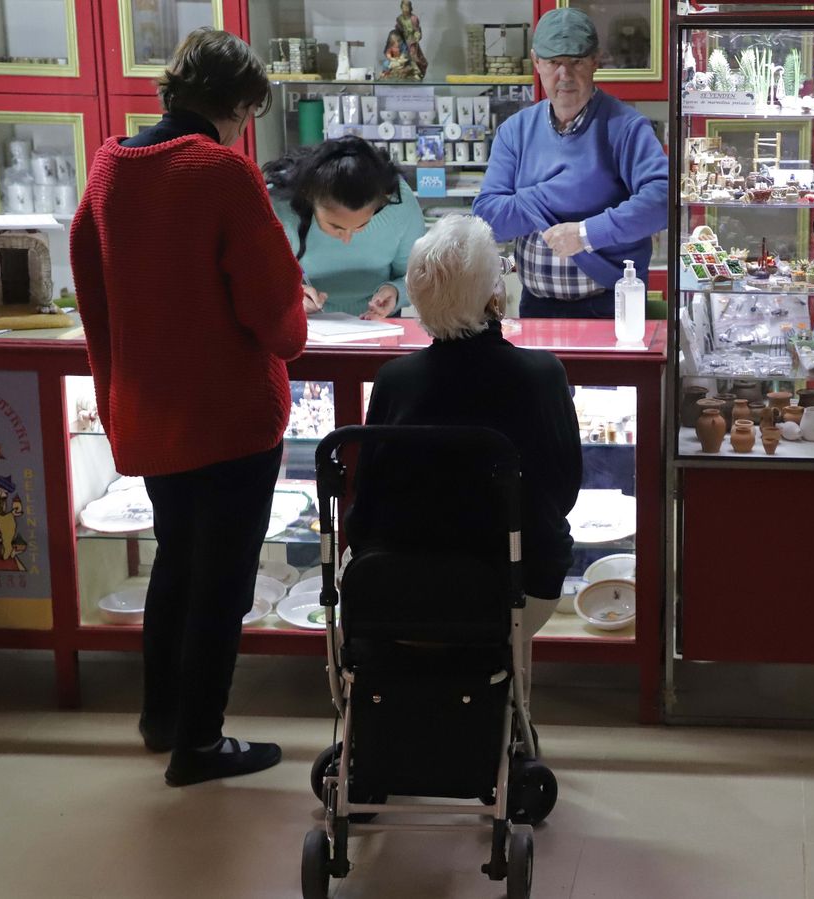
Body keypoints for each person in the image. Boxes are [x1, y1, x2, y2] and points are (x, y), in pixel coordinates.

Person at [70, 28, 306, 787]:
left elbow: (86, 268)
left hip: (150, 414)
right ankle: (200, 744)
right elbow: (277, 317)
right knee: (224, 579)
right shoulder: (220, 173)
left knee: (176, 562)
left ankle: (161, 716)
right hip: (229, 415)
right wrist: (293, 322)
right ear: (238, 105)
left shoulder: (110, 167)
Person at [347, 215, 580, 706]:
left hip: (396, 587)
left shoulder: (394, 379)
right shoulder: (540, 374)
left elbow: (363, 505)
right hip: (515, 587)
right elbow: (564, 492)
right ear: (495, 297)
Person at [473, 7, 667, 318]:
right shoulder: (515, 131)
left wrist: (586, 234)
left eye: (576, 62)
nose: (564, 75)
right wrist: (568, 188)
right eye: (553, 63)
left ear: (595, 61)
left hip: (610, 304)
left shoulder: (626, 127)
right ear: (537, 62)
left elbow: (661, 203)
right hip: (536, 305)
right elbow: (487, 220)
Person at [263, 136, 426, 319]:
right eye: (336, 226)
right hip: (306, 323)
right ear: (309, 198)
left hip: (379, 321)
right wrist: (291, 295)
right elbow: (258, 280)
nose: (347, 239)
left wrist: (396, 292)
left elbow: (418, 276)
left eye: (361, 225)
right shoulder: (281, 207)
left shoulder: (399, 204)